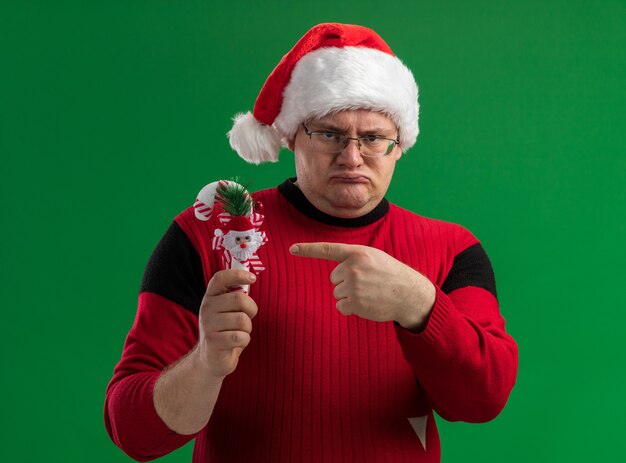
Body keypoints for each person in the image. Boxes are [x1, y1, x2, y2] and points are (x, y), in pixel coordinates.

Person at [104, 22, 518, 462]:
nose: (352, 156)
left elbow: (483, 400)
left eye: (374, 138)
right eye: (329, 134)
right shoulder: (207, 233)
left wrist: (422, 307)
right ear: (291, 137)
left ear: (400, 146)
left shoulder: (452, 249)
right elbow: (132, 432)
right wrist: (205, 363)